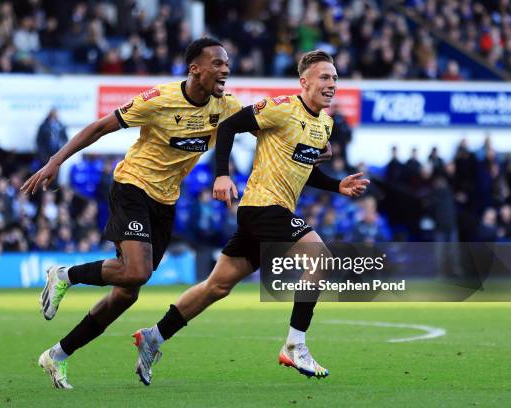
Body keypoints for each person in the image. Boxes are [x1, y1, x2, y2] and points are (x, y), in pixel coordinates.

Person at [131, 50, 369, 385]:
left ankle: (153, 336)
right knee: (321, 258)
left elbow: (302, 168)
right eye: (325, 77)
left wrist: (336, 185)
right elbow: (228, 126)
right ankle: (295, 344)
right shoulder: (282, 107)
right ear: (305, 81)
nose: (332, 84)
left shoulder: (325, 125)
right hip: (262, 208)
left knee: (217, 286)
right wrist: (222, 175)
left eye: (335, 79)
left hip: (272, 213)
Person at [20, 37, 241, 389]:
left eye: (227, 63)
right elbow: (98, 128)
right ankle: (65, 275)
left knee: (127, 292)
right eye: (217, 63)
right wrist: (55, 161)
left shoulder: (226, 107)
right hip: (132, 186)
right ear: (194, 68)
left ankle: (57, 355)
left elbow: (266, 126)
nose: (225, 69)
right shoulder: (159, 100)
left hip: (166, 201)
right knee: (136, 272)